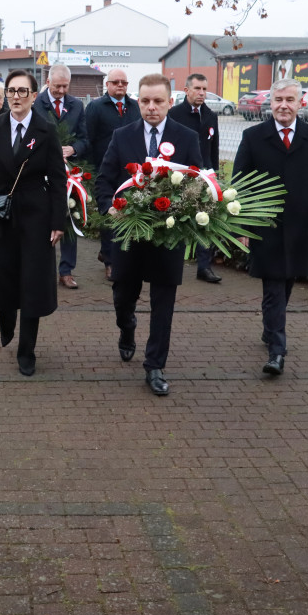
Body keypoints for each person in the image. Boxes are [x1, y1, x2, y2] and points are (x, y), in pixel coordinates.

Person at [95, 73, 204, 396]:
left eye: (158, 101)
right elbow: (103, 180)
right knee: (122, 297)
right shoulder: (122, 135)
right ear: (137, 101)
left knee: (163, 304)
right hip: (129, 235)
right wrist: (110, 207)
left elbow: (198, 180)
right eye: (145, 101)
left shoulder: (186, 137)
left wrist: (187, 211)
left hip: (168, 238)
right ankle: (126, 329)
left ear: (171, 102)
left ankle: (154, 366)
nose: (151, 108)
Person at [232, 78, 308, 376]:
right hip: (264, 227)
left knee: (287, 282)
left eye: (290, 99)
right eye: (278, 99)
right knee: (274, 285)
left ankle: (269, 329)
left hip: (300, 228)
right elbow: (238, 187)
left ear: (300, 103)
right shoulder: (253, 137)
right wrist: (242, 227)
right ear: (270, 102)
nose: (283, 105)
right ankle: (277, 349)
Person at [0, 70, 67, 377]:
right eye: (12, 91)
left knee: (33, 282)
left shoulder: (45, 129)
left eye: (22, 91)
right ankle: (6, 319)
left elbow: (57, 179)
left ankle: (27, 349)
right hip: (1, 214)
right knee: (3, 276)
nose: (15, 96)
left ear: (33, 95)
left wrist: (58, 221)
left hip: (36, 216)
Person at [34, 64, 88, 290]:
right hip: (40, 170)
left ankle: (66, 270)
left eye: (65, 86)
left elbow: (85, 138)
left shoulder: (77, 105)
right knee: (41, 220)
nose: (61, 91)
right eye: (57, 86)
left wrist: (73, 149)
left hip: (70, 173)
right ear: (48, 81)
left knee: (69, 218)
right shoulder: (36, 104)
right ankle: (40, 270)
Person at [168, 72, 223, 284]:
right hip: (180, 174)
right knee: (177, 217)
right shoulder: (174, 114)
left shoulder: (210, 115)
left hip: (205, 174)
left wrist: (214, 173)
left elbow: (214, 147)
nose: (201, 93)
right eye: (197, 88)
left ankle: (204, 266)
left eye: (204, 89)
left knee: (205, 219)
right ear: (186, 90)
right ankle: (173, 263)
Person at [85, 69, 140, 279]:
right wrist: (91, 170)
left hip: (131, 173)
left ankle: (117, 255)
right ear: (107, 84)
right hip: (105, 171)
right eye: (115, 82)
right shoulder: (96, 107)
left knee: (127, 216)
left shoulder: (135, 107)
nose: (120, 86)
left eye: (123, 83)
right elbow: (88, 138)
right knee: (109, 217)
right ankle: (110, 261)